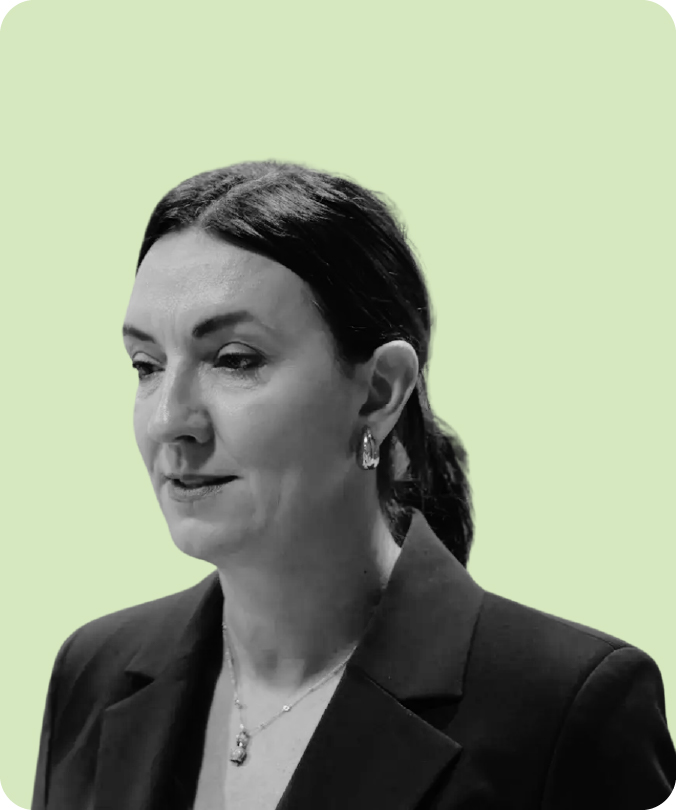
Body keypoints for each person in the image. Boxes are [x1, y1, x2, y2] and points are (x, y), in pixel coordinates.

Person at [32, 160, 675, 810]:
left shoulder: (569, 712)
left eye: (234, 360)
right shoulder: (93, 674)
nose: (169, 420)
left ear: (379, 392)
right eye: (146, 365)